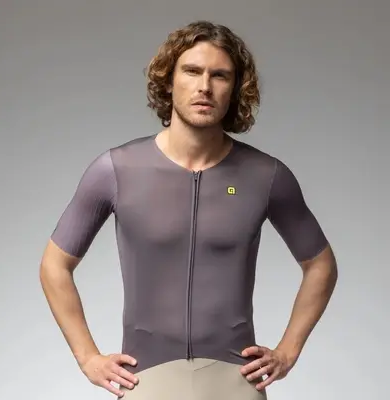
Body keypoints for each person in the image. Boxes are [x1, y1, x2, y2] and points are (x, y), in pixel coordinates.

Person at [39, 20, 338, 399]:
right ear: (169, 81)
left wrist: (287, 352)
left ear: (235, 88)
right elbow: (54, 265)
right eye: (192, 71)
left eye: (220, 75)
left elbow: (321, 265)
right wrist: (88, 357)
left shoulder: (266, 176)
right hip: (147, 380)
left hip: (236, 383)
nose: (204, 86)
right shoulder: (115, 170)